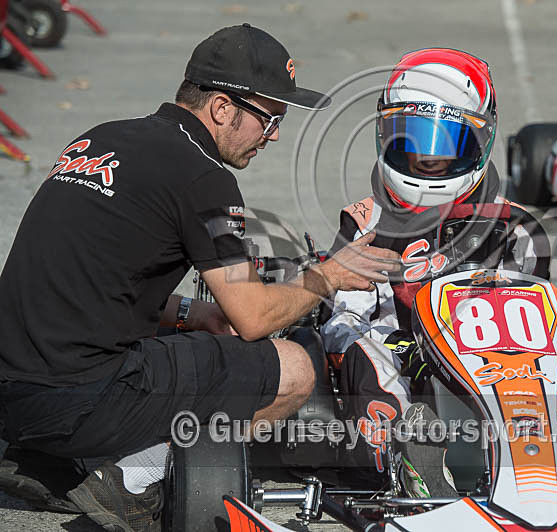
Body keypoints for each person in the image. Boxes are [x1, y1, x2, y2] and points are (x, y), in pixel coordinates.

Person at [0, 24, 399, 531]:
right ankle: (133, 478)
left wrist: (194, 312)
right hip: (74, 399)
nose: (274, 135)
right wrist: (329, 275)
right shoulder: (204, 176)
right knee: (294, 368)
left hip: (12, 391)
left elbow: (85, 284)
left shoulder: (100, 139)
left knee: (182, 339)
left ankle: (45, 462)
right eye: (270, 118)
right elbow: (254, 318)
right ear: (223, 108)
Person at [320, 48, 557, 497]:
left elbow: (537, 320)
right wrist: (408, 346)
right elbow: (344, 321)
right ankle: (406, 453)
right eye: (412, 138)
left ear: (478, 142)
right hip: (408, 364)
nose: (427, 156)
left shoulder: (516, 227)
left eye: (445, 141)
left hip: (503, 367)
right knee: (365, 355)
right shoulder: (366, 224)